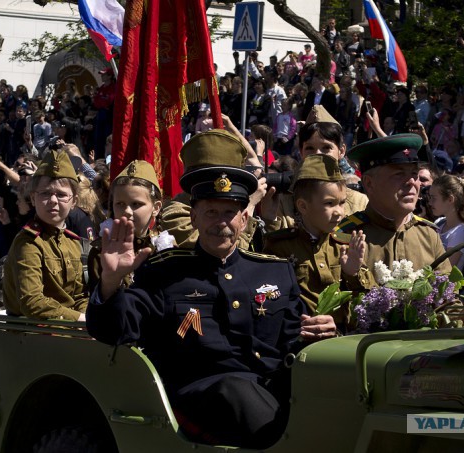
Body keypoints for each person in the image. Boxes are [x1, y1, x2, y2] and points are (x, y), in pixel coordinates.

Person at [86, 134, 337, 449]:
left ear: (244, 219)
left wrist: (320, 333)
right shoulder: (164, 273)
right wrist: (110, 280)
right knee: (236, 389)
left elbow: (292, 344)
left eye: (230, 213)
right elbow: (114, 330)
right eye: (211, 213)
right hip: (200, 398)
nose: (222, 223)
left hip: (269, 391)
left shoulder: (274, 271)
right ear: (193, 217)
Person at [264, 154, 366, 330]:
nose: (339, 212)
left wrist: (353, 273)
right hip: (299, 336)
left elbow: (366, 301)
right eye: (329, 203)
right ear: (303, 206)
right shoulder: (280, 246)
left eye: (342, 203)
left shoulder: (347, 245)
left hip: (339, 338)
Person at [334, 134, 452, 284]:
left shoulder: (429, 235)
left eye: (414, 174)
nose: (411, 182)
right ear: (369, 184)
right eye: (399, 174)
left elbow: (447, 296)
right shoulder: (346, 235)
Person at [3, 150, 88, 320]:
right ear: (33, 199)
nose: (53, 201)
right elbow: (32, 302)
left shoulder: (74, 243)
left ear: (74, 202)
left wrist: (88, 315)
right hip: (33, 337)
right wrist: (79, 319)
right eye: (46, 193)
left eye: (62, 195)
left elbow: (78, 296)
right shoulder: (28, 242)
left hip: (69, 333)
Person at [261, 105, 368, 231]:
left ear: (341, 151)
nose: (318, 154)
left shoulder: (359, 202)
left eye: (326, 148)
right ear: (301, 152)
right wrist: (270, 220)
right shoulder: (285, 201)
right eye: (310, 148)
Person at [87, 160, 163, 292]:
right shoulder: (101, 251)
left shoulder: (165, 249)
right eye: (120, 204)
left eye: (136, 204)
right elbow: (96, 305)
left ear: (155, 208)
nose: (127, 211)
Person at [429, 174, 464, 269]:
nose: (430, 203)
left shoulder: (460, 232)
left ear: (450, 199)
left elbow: (446, 269)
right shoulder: (440, 222)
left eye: (434, 198)